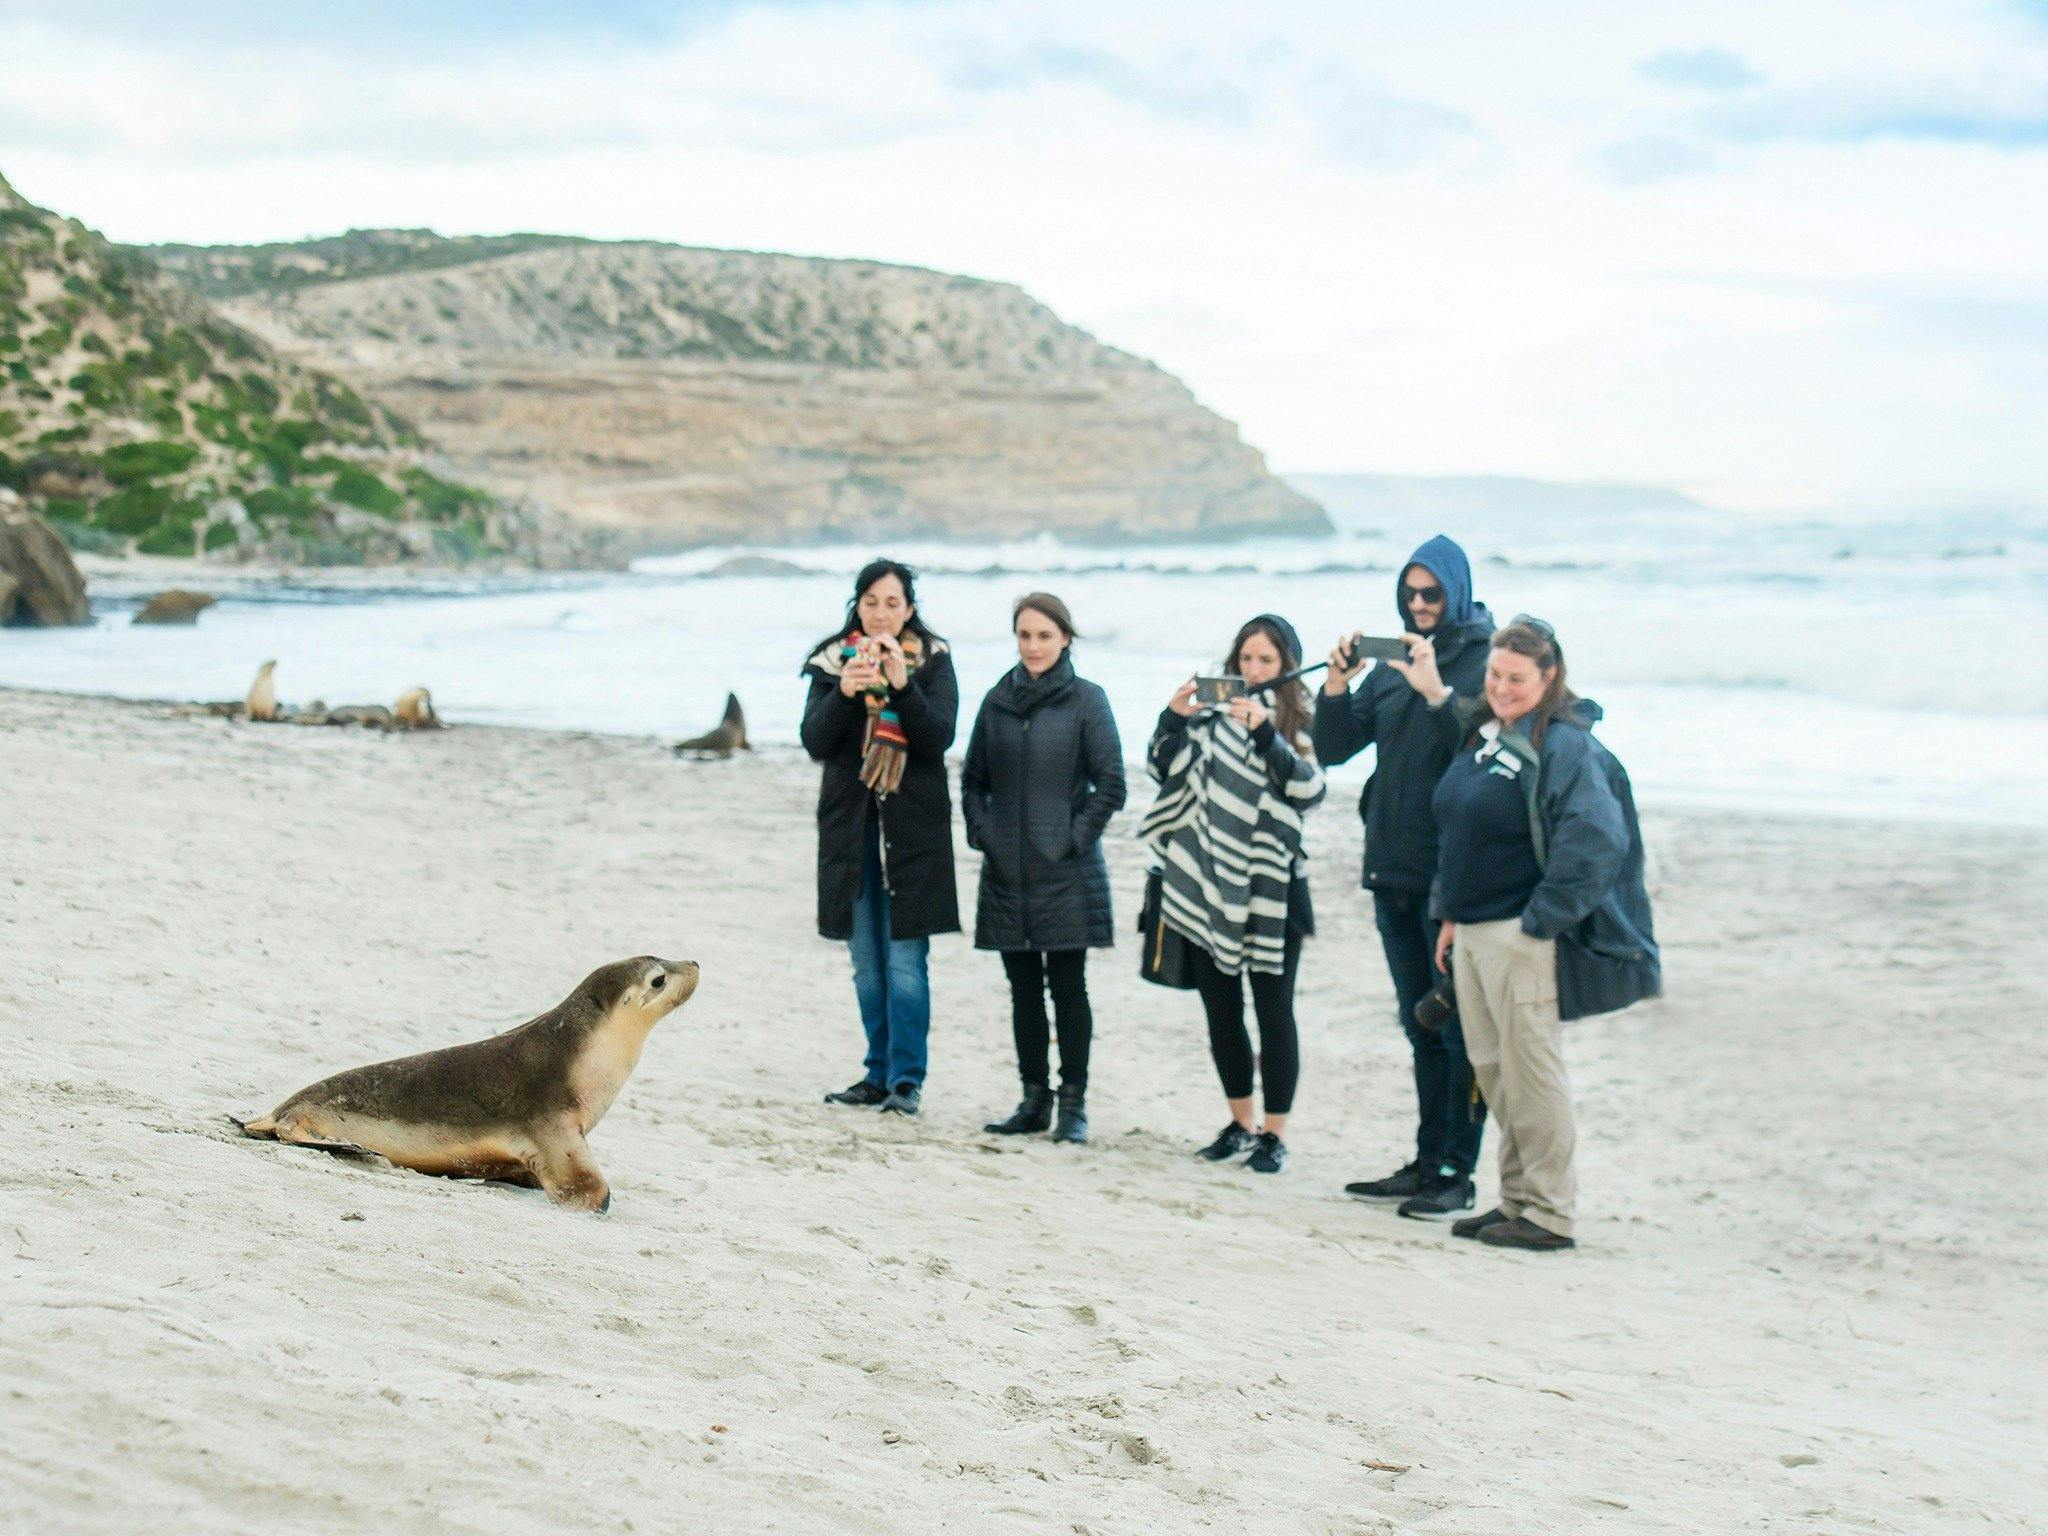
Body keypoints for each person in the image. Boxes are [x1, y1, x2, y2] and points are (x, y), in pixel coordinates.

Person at [1428, 617, 1660, 1251]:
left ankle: (1550, 1214)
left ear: (1550, 676)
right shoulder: (1492, 735)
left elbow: (1596, 841)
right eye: (1495, 675)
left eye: (1517, 678)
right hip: (1474, 931)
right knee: (1494, 1072)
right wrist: (1450, 911)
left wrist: (1540, 923)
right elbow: (1461, 832)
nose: (1501, 687)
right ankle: (1515, 1200)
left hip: (1522, 936)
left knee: (1532, 1075)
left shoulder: (1565, 746)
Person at [1313, 536, 1497, 1220]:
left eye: (1431, 593)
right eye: (1409, 593)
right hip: (1390, 865)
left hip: (1452, 876)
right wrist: (1335, 685)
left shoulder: (1485, 661)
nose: (1419, 605)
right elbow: (1334, 748)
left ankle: (1457, 1171)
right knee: (1417, 1023)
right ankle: (1426, 1159)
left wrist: (1439, 693)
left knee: (1456, 1029)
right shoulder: (1391, 663)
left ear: (1457, 591)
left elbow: (1484, 749)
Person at [1143, 614, 1326, 1175]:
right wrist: (1172, 718)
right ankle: (1240, 1122)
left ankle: (1274, 1133)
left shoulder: (1303, 717)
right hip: (1205, 882)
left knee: (1275, 1011)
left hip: (1274, 889)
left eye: (1266, 661)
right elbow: (1160, 767)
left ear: (1286, 665)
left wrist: (1264, 732)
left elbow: (1309, 789)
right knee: (1221, 1010)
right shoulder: (1207, 717)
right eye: (1245, 659)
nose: (1253, 670)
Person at [961, 593, 1126, 1144]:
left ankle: (1072, 1107)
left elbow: (1112, 784)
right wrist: (985, 835)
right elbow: (972, 781)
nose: (1033, 646)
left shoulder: (1088, 701)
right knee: (1023, 990)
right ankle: (1033, 1100)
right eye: (1025, 635)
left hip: (1068, 873)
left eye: (1044, 636)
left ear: (1065, 640)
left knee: (1068, 987)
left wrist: (1074, 839)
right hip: (1007, 871)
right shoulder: (996, 701)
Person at [801, 559, 961, 1117]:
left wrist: (902, 685)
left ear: (909, 610)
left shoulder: (934, 661)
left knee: (904, 960)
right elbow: (815, 742)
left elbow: (938, 737)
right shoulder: (831, 659)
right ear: (857, 605)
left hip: (912, 832)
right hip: (852, 830)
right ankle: (875, 1072)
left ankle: (906, 1079)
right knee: (866, 962)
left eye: (893, 603)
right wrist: (844, 693)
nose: (881, 613)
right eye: (871, 601)